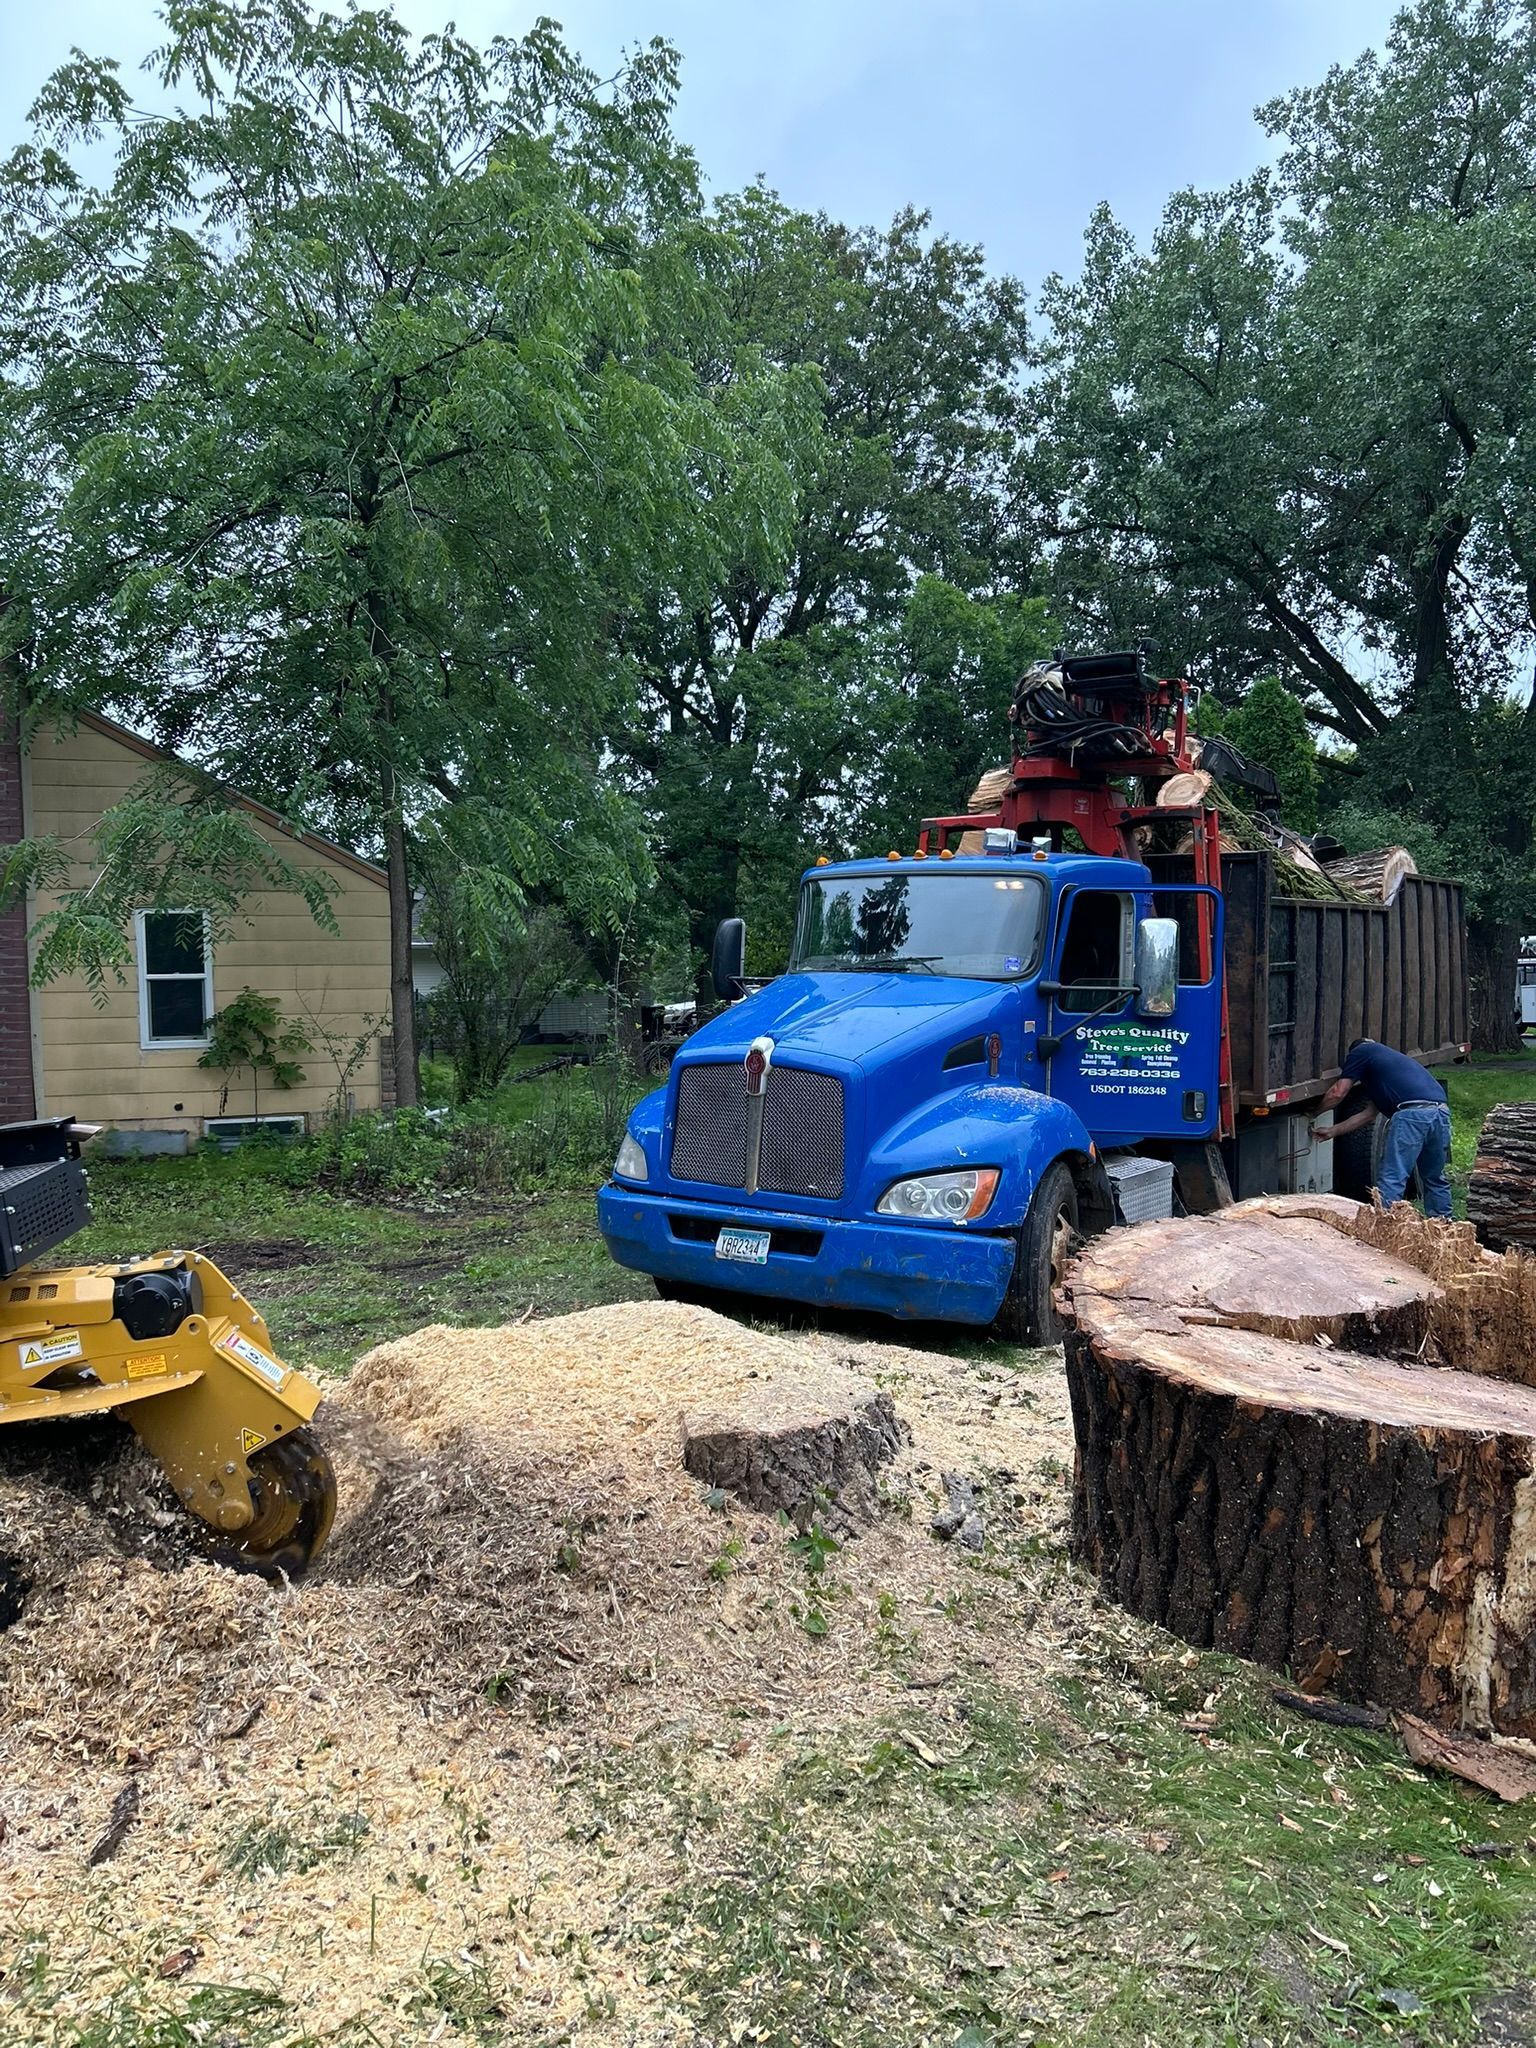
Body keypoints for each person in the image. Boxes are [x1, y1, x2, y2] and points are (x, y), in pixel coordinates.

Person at [1310, 1038, 1452, 1218]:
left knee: (1393, 1176)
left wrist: (1313, 1112)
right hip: (1440, 1112)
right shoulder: (1389, 1069)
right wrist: (1332, 1131)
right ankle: (1444, 1227)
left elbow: (1338, 1091)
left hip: (1412, 1115)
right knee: (1434, 1177)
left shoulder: (1362, 1051)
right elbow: (1368, 1114)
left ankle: (1384, 1227)